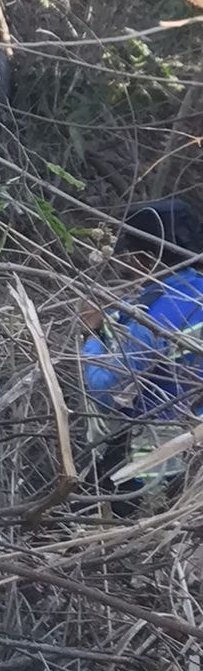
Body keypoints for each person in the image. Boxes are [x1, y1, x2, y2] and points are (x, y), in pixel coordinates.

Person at [81, 198, 203, 506]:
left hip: (156, 465)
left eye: (131, 255)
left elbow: (105, 389)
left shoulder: (158, 313)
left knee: (75, 522)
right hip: (193, 455)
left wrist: (91, 334)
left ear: (145, 259)